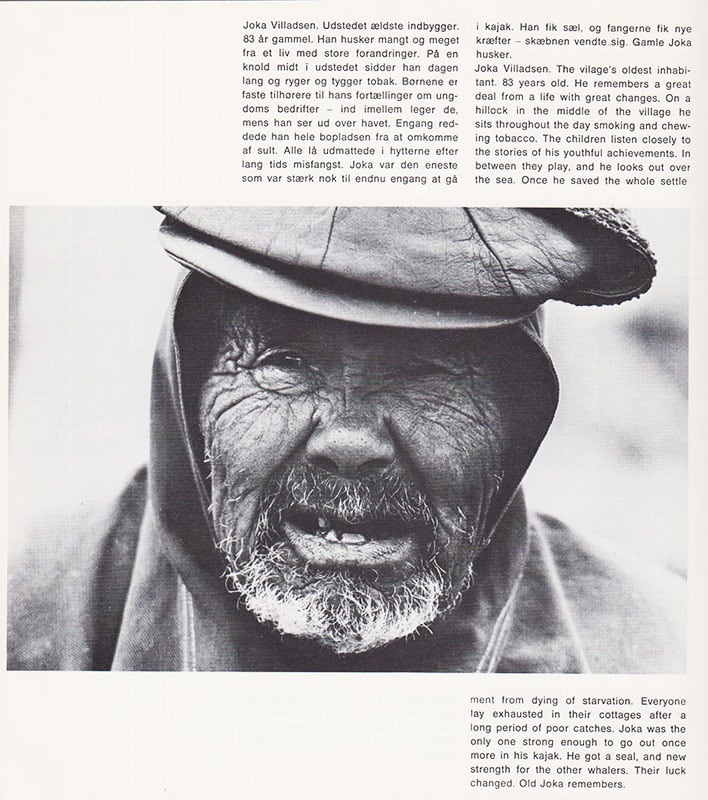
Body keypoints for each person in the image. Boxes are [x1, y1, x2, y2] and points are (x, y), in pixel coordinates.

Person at [8, 207, 685, 672]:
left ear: (517, 421)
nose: (351, 440)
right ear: (187, 390)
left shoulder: (660, 656)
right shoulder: (32, 611)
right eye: (282, 363)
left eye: (426, 374)